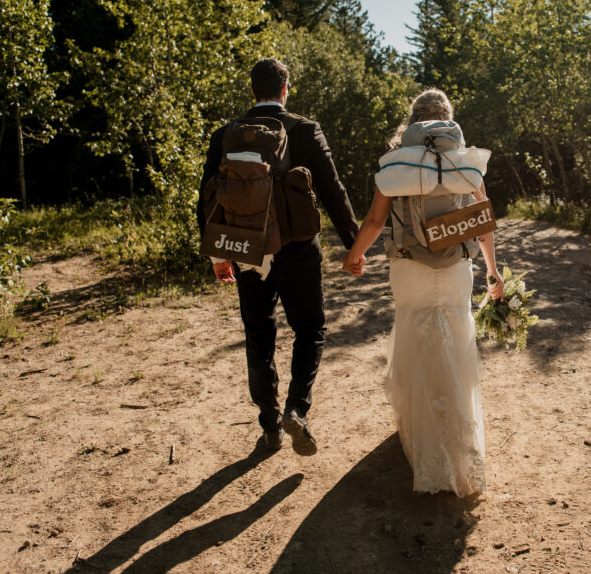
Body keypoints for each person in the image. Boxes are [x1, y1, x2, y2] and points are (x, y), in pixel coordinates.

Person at [341, 89, 504, 497]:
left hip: (409, 267)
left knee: (415, 339)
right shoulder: (465, 163)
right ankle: (459, 441)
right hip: (455, 269)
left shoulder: (398, 162)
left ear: (412, 122)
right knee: (456, 341)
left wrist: (355, 255)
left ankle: (420, 435)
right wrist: (493, 271)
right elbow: (481, 220)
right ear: (448, 120)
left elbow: (377, 220)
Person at [197, 58, 359, 455]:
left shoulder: (227, 134)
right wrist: (354, 245)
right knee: (310, 328)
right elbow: (333, 190)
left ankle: (269, 425)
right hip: (298, 248)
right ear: (286, 90)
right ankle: (296, 410)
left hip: (247, 247)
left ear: (253, 91)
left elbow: (207, 196)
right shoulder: (304, 129)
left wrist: (219, 254)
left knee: (259, 330)